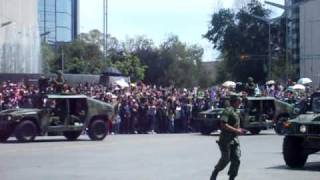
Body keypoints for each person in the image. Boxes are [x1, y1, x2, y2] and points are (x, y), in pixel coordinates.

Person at [210, 94, 245, 180]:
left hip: (234, 139)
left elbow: (234, 125)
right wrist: (236, 131)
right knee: (226, 159)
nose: (240, 102)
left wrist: (240, 129)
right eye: (238, 101)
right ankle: (215, 173)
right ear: (234, 101)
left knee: (236, 158)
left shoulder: (236, 111)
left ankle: (232, 177)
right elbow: (223, 124)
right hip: (226, 139)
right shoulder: (227, 111)